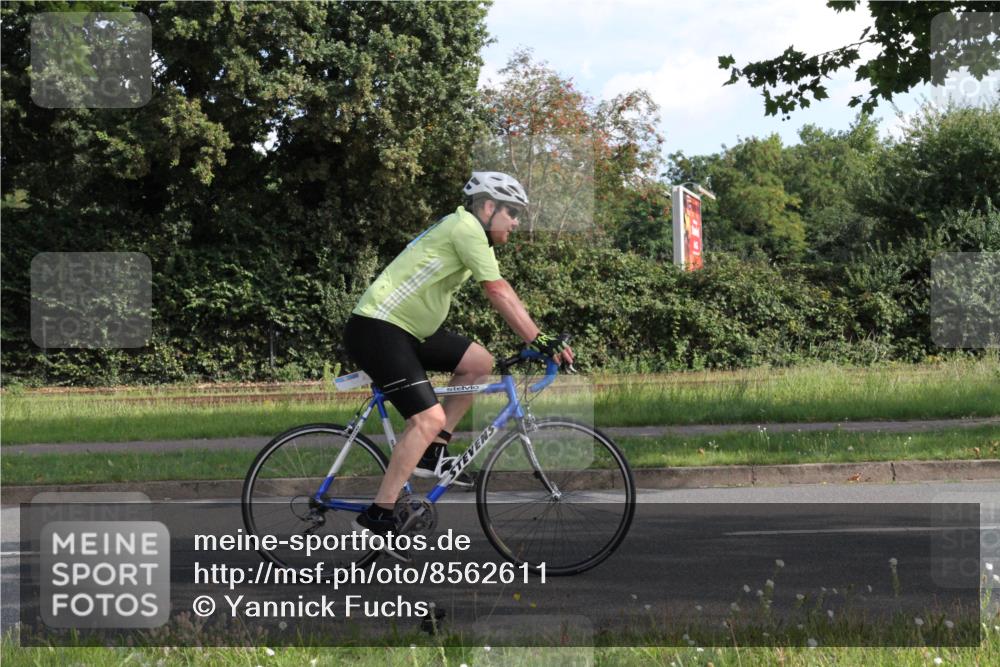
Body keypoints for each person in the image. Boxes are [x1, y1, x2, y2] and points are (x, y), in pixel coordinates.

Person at [343, 171, 574, 560]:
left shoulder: (469, 231)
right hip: (379, 327)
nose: (516, 222)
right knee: (427, 417)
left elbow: (503, 290)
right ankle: (378, 516)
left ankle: (431, 453)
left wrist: (537, 336)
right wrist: (539, 339)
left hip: (408, 330)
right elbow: (498, 291)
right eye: (512, 212)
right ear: (488, 207)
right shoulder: (465, 228)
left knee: (479, 362)